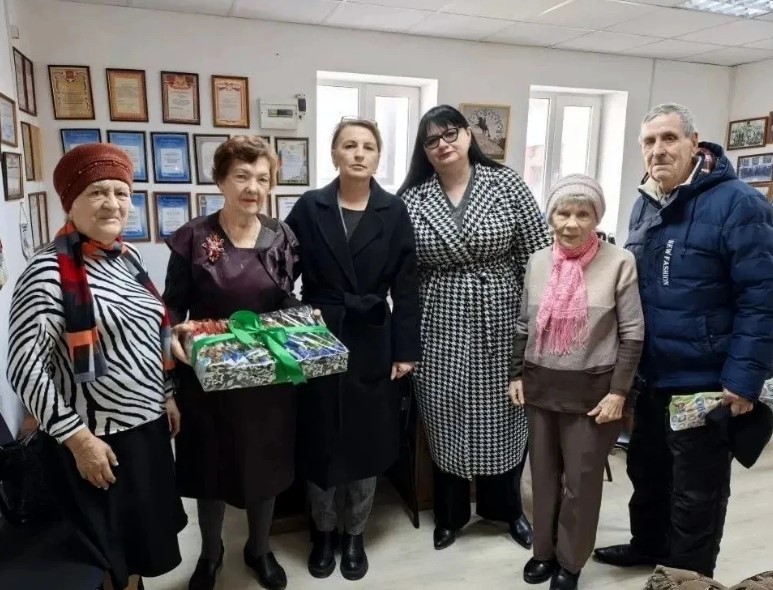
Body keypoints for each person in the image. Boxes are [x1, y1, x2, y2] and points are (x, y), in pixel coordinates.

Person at [594, 103, 773, 578]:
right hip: (653, 375)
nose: (658, 150)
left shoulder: (739, 204)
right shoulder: (645, 202)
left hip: (705, 381)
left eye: (669, 138)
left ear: (695, 143)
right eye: (649, 141)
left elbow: (762, 299)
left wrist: (743, 380)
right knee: (647, 472)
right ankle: (648, 546)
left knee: (697, 491)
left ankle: (686, 578)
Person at [6, 143, 186, 590]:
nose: (112, 203)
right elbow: (24, 367)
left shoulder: (126, 258)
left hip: (145, 430)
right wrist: (78, 439)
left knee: (140, 541)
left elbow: (150, 329)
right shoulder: (47, 272)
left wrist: (167, 394)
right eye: (97, 192)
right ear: (72, 201)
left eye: (121, 193)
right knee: (109, 552)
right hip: (97, 440)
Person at [398, 105, 551, 551]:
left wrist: (535, 325)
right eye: (432, 140)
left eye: (450, 133)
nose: (442, 144)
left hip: (502, 317)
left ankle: (506, 510)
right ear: (424, 150)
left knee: (505, 415)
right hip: (438, 321)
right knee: (444, 415)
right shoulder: (412, 199)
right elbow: (404, 273)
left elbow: (537, 256)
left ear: (469, 135)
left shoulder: (506, 183)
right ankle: (450, 515)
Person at [285, 118, 420, 581]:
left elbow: (406, 288)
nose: (359, 153)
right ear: (334, 155)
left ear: (378, 157)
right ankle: (323, 531)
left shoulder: (393, 211)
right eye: (349, 145)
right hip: (317, 335)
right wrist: (286, 330)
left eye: (368, 146)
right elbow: (281, 274)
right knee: (319, 436)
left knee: (366, 438)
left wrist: (406, 350)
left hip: (372, 336)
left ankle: (355, 533)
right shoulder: (310, 207)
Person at [163, 136, 300, 590]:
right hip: (209, 375)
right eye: (241, 176)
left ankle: (259, 549)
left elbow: (286, 298)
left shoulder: (282, 237)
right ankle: (210, 553)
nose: (252, 187)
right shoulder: (193, 238)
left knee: (265, 466)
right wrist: (172, 340)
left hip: (266, 374)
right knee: (210, 468)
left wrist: (305, 322)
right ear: (220, 180)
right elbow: (171, 307)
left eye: (262, 178)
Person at [509, 174, 644, 590]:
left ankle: (570, 562)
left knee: (581, 484)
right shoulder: (537, 261)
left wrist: (619, 391)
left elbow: (633, 333)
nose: (571, 223)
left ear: (596, 217)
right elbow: (524, 323)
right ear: (550, 216)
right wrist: (516, 373)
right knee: (542, 478)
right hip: (540, 387)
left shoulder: (619, 262)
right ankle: (543, 552)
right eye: (562, 213)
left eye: (582, 213)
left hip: (593, 395)